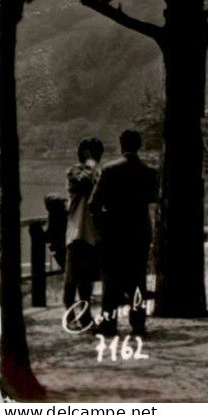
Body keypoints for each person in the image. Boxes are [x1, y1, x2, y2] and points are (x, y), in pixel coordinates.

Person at [89, 130, 159, 336]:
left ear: (121, 144)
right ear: (140, 145)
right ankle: (138, 323)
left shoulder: (109, 170)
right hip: (139, 230)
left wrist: (102, 226)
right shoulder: (149, 172)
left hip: (114, 231)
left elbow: (94, 204)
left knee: (111, 280)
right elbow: (153, 198)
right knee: (138, 278)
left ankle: (109, 323)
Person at [62, 137, 104, 326]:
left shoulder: (96, 172)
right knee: (72, 278)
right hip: (77, 230)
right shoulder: (74, 172)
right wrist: (91, 164)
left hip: (90, 232)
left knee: (86, 279)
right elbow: (85, 184)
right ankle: (70, 314)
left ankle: (85, 315)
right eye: (96, 155)